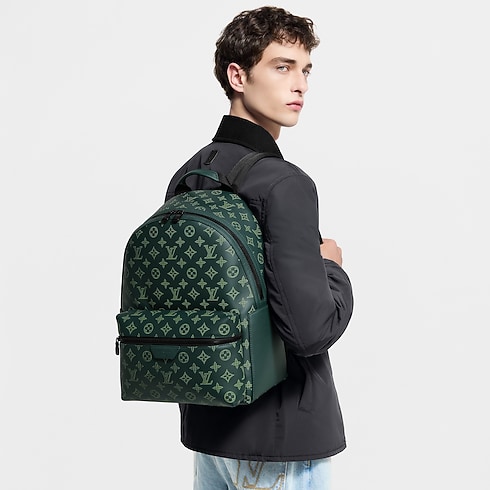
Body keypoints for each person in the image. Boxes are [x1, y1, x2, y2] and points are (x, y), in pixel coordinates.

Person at [164, 6, 354, 489]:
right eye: (282, 67)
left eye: (305, 70)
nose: (300, 85)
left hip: (209, 433)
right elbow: (310, 332)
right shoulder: (284, 184)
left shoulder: (191, 174)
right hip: (281, 444)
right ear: (238, 76)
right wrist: (332, 268)